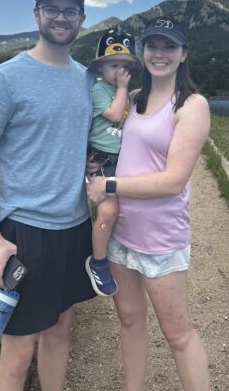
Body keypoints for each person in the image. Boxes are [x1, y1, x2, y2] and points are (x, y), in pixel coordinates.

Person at [0, 0, 96, 391]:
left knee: (59, 332)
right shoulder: (5, 78)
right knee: (18, 354)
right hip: (23, 233)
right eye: (52, 8)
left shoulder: (87, 81)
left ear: (81, 18)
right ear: (37, 13)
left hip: (74, 228)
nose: (61, 17)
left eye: (70, 10)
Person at [87, 16, 211, 391]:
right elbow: (107, 137)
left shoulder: (191, 105)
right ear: (142, 52)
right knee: (129, 320)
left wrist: (109, 184)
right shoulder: (134, 100)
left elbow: (173, 181)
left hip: (160, 239)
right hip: (121, 235)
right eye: (153, 45)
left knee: (178, 334)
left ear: (183, 54)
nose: (160, 53)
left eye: (169, 46)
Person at [85, 29, 141, 297]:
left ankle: (119, 250)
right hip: (101, 158)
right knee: (108, 212)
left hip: (121, 159)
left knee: (122, 209)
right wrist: (122, 88)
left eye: (125, 67)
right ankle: (97, 262)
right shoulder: (99, 90)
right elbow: (116, 115)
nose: (120, 71)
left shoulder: (124, 93)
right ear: (100, 68)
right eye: (113, 65)